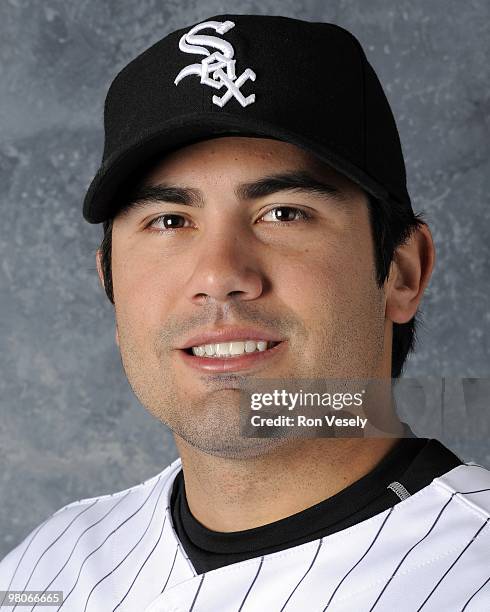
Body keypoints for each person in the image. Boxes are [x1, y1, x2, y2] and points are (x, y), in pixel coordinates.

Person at [1, 13, 488, 612]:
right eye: (169, 221)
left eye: (284, 213)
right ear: (110, 280)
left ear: (402, 272)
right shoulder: (45, 569)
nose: (219, 276)